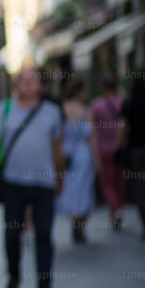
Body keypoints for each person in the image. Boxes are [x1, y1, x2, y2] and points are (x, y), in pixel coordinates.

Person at [0, 67, 67, 288]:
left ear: (41, 85)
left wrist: (60, 177)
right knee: (12, 234)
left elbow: (57, 148)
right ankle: (14, 277)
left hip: (44, 183)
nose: (28, 84)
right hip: (12, 183)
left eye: (33, 79)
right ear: (16, 84)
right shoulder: (3, 110)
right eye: (23, 79)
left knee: (43, 234)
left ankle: (44, 286)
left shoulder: (52, 112)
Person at [56, 78, 101, 244]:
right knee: (85, 188)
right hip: (83, 154)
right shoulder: (86, 110)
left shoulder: (62, 109)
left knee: (71, 187)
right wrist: (97, 160)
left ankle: (75, 217)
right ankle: (80, 223)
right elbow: (92, 137)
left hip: (66, 153)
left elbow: (57, 135)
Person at [90, 73, 127, 231]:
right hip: (119, 149)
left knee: (106, 182)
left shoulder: (96, 105)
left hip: (103, 149)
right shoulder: (122, 102)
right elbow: (123, 125)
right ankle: (116, 209)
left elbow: (92, 131)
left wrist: (94, 154)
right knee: (119, 182)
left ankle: (115, 208)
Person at [122, 72, 145, 241]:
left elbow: (123, 126)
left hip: (137, 150)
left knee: (141, 191)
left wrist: (122, 145)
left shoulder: (130, 102)